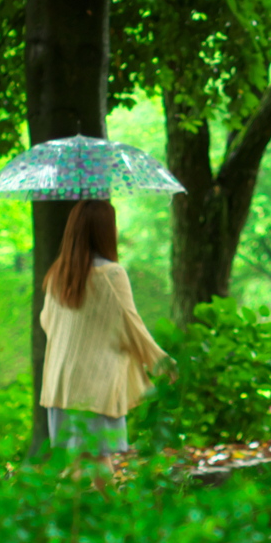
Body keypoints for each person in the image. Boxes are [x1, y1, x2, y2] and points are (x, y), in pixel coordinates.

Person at [40, 199, 173, 477]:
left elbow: (47, 323)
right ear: (104, 231)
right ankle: (99, 518)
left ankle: (64, 516)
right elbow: (130, 324)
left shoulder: (57, 275)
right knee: (97, 464)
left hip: (60, 382)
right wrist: (162, 363)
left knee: (80, 465)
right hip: (95, 383)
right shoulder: (112, 274)